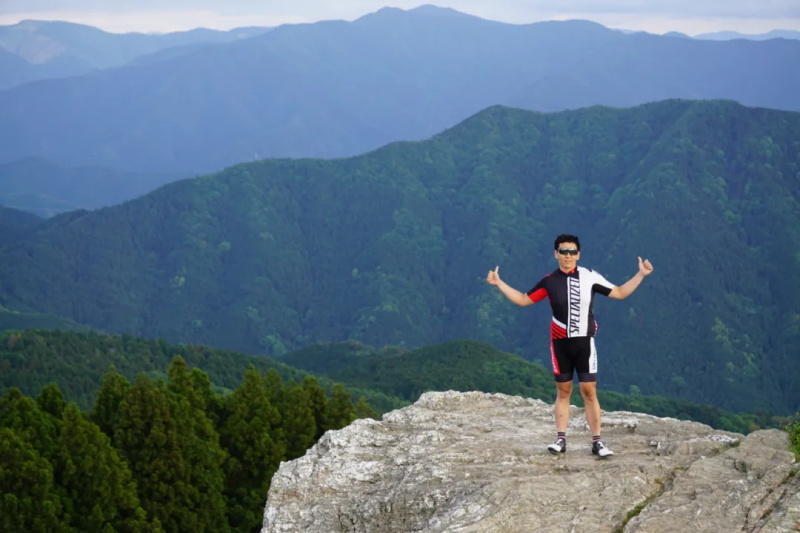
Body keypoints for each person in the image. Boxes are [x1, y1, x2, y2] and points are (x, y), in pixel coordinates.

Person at [486, 234, 653, 457]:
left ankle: (597, 442)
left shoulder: (589, 276)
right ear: (556, 254)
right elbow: (524, 299)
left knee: (589, 391)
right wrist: (499, 283)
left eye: (572, 252)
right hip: (559, 343)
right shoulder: (549, 281)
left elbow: (620, 293)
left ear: (579, 254)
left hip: (585, 342)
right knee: (563, 391)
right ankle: (561, 439)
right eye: (563, 251)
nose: (568, 256)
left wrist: (641, 274)